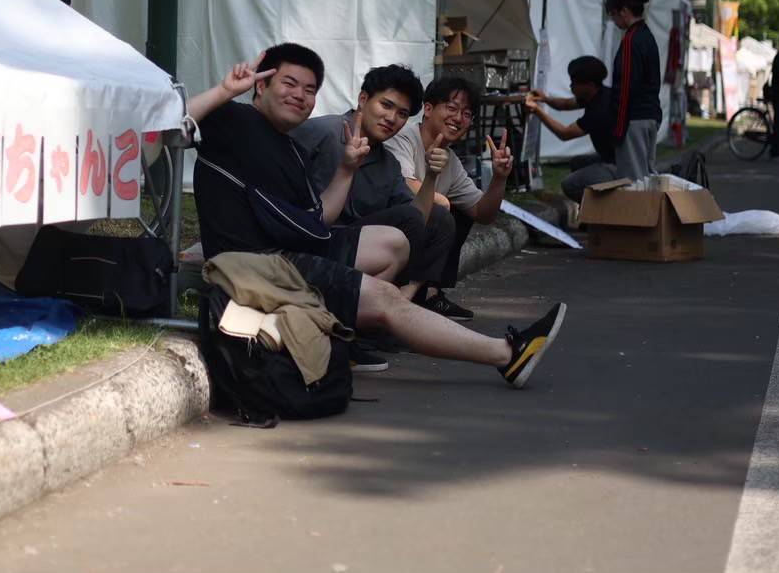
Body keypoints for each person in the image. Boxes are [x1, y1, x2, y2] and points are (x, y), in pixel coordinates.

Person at [187, 44, 566, 389]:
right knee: (386, 298)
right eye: (289, 83)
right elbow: (165, 130)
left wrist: (348, 168)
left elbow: (318, 218)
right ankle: (506, 353)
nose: (300, 96)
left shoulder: (291, 147)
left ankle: (353, 329)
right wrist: (224, 91)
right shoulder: (233, 120)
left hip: (294, 250)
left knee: (396, 242)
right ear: (260, 86)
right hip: (260, 264)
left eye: (310, 90)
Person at [294, 64, 459, 325]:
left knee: (439, 218)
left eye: (402, 113)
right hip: (307, 239)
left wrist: (431, 176)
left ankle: (394, 307)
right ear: (363, 99)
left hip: (360, 245)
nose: (392, 118)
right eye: (386, 105)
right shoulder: (323, 132)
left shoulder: (388, 163)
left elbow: (418, 219)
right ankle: (363, 318)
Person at [385, 76, 515, 322]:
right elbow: (403, 186)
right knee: (441, 211)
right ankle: (406, 300)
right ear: (428, 108)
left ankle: (431, 294)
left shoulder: (451, 160)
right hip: (385, 232)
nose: (458, 118)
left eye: (467, 114)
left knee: (459, 214)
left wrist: (499, 178)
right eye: (452, 108)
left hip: (413, 237)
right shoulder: (403, 137)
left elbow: (483, 214)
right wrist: (439, 199)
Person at [524, 56, 620, 202]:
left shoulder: (600, 111)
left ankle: (601, 210)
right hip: (612, 157)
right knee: (577, 162)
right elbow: (565, 104)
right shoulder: (599, 94)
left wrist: (537, 111)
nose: (571, 86)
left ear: (589, 85)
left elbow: (565, 133)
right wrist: (544, 99)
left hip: (618, 166)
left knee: (569, 185)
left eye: (574, 83)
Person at [605, 0, 662, 180]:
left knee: (634, 182)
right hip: (650, 115)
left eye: (613, 15)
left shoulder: (631, 40)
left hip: (633, 120)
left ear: (624, 11)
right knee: (648, 178)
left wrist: (618, 128)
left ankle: (640, 211)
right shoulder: (648, 36)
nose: (614, 21)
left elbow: (625, 88)